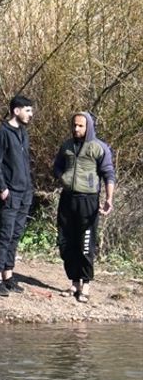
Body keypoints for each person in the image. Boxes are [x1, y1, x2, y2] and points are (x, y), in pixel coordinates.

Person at [52, 112, 116, 303]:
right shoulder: (67, 146)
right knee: (65, 242)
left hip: (88, 201)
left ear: (88, 126)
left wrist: (109, 198)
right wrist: (62, 177)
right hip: (67, 199)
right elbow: (57, 166)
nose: (76, 129)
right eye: (74, 125)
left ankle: (86, 284)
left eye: (80, 126)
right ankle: (74, 282)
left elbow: (108, 174)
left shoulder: (99, 147)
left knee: (85, 243)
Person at [0, 95, 35, 297]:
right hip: (10, 192)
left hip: (25, 192)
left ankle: (8, 275)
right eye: (28, 110)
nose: (30, 114)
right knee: (5, 234)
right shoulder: (2, 132)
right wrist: (2, 188)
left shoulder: (23, 132)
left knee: (16, 235)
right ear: (16, 111)